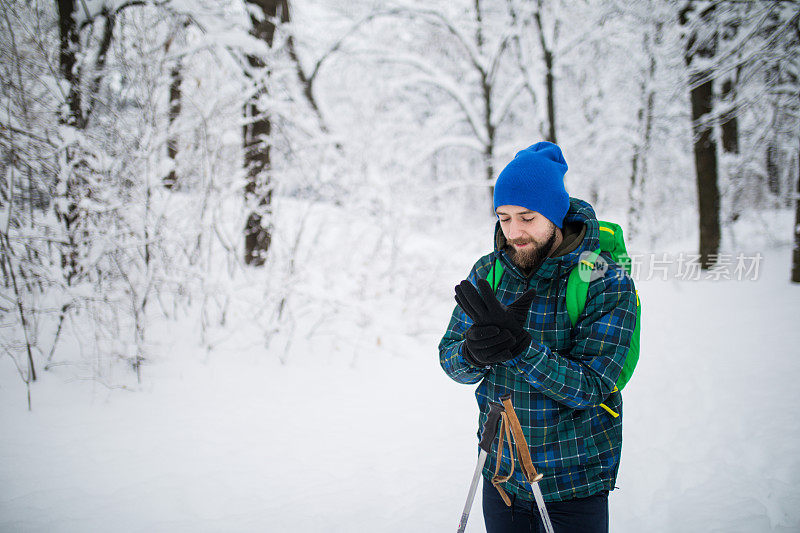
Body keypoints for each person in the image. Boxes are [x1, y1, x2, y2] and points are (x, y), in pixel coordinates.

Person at [439, 142, 637, 532]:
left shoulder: (602, 278)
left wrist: (522, 349)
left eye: (527, 217)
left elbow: (595, 385)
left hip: (574, 481)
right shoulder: (489, 272)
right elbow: (450, 361)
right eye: (504, 217)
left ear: (555, 213)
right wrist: (472, 354)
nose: (513, 232)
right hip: (502, 475)